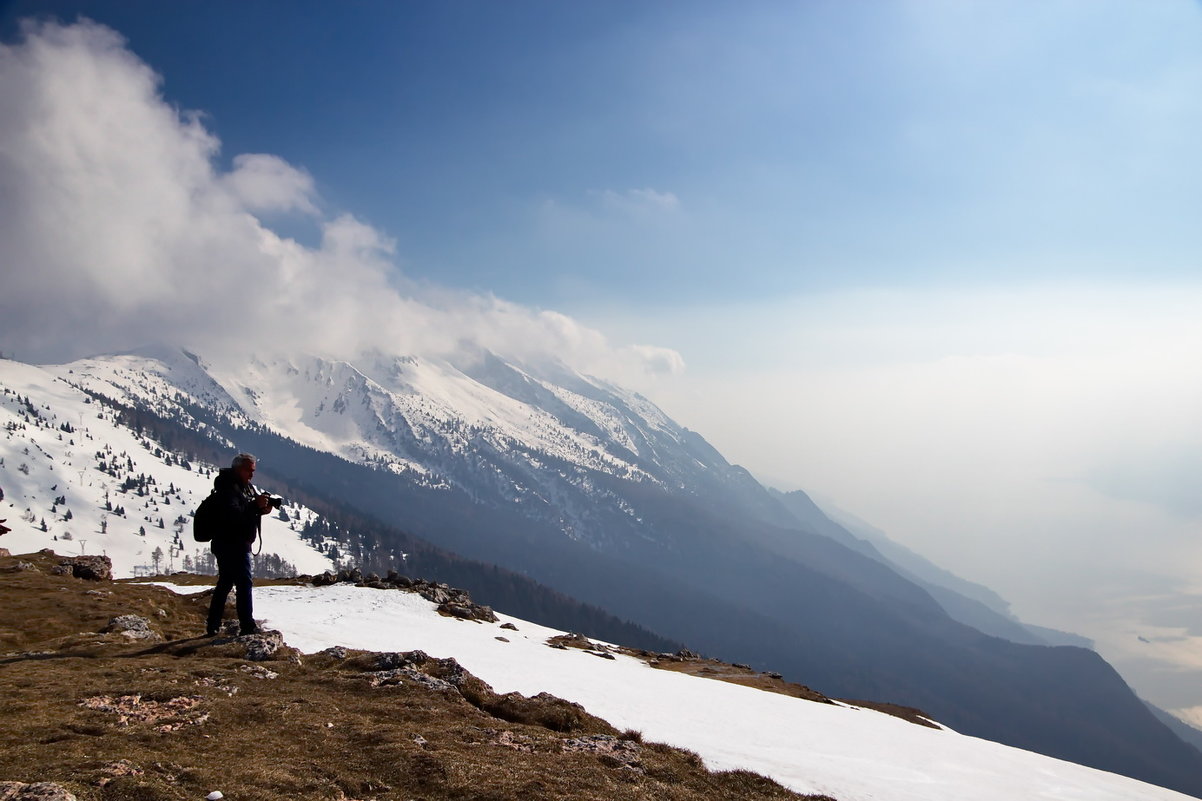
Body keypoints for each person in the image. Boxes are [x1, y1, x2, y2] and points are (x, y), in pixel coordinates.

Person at [206, 452, 271, 636]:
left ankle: (213, 624)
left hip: (235, 542)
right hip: (231, 543)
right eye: (248, 471)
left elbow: (246, 511)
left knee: (225, 583)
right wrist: (254, 506)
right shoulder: (228, 488)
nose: (251, 475)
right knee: (244, 583)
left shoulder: (244, 487)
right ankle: (247, 626)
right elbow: (233, 515)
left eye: (253, 471)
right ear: (238, 469)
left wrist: (261, 509)